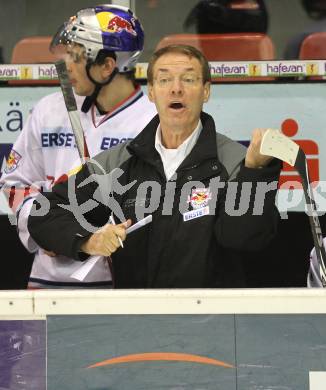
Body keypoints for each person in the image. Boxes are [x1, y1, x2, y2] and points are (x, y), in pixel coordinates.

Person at [28, 44, 281, 288]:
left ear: (206, 91)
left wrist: (256, 172)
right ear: (151, 92)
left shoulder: (236, 161)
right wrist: (89, 241)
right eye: (164, 80)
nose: (176, 89)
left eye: (189, 79)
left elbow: (246, 239)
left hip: (214, 324)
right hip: (137, 324)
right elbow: (45, 213)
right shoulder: (119, 162)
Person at [0, 5, 156, 288]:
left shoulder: (151, 123)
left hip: (117, 284)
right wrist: (45, 231)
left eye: (75, 55)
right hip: (47, 280)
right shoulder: (49, 110)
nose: (65, 65)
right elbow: (15, 183)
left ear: (107, 66)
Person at [183, 0, 268, 34]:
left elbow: (258, 23)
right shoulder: (209, 3)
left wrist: (221, 13)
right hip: (215, 58)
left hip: (247, 59)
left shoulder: (251, 2)